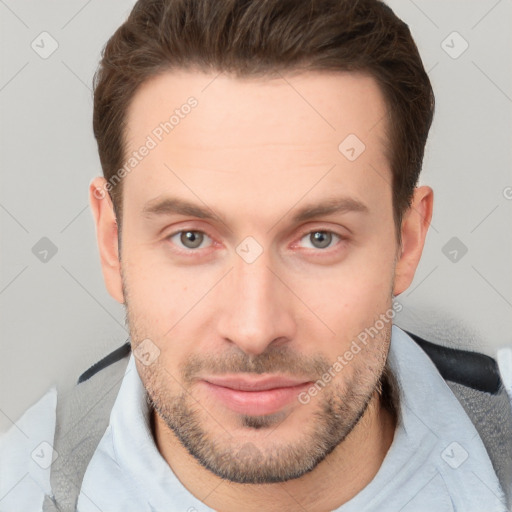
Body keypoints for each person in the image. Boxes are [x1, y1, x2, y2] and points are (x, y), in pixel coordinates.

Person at [1, 0, 511, 511]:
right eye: (192, 238)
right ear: (112, 243)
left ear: (409, 241)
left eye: (320, 238)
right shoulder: (22, 485)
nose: (254, 329)